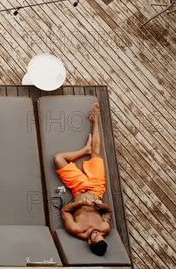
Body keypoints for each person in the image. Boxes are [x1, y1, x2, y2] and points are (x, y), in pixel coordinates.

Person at [53, 102, 112, 256]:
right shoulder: (105, 228)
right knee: (96, 152)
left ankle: (83, 150)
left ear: (90, 242)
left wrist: (81, 203)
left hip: (78, 189)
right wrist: (101, 205)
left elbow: (65, 210)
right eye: (101, 236)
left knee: (59, 158)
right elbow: (108, 211)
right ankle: (96, 119)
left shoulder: (75, 229)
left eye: (96, 236)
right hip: (96, 188)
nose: (98, 233)